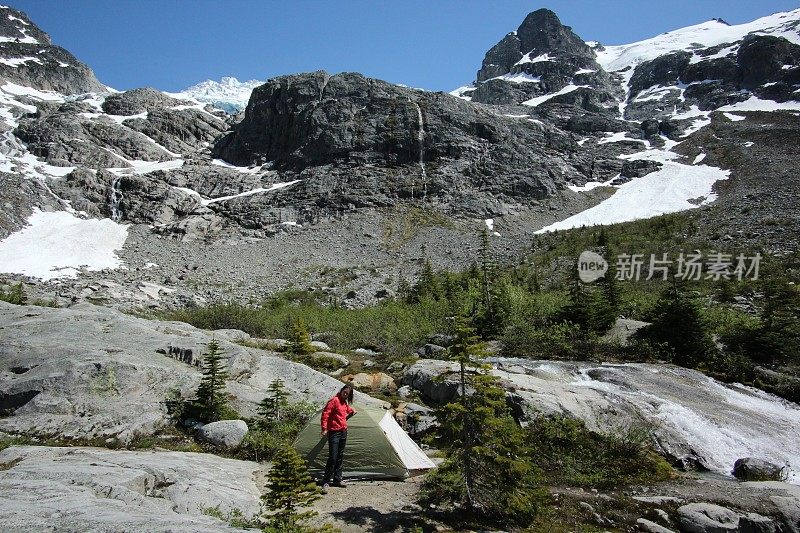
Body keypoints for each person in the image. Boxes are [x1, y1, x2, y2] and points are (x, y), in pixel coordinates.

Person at [319, 383, 356, 492]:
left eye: (347, 394)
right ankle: (325, 481)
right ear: (342, 390)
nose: (345, 394)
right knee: (333, 457)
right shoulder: (334, 400)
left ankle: (337, 479)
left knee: (340, 456)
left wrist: (352, 410)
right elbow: (325, 414)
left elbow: (345, 410)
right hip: (334, 432)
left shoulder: (344, 402)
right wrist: (324, 429)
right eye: (344, 392)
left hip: (343, 431)